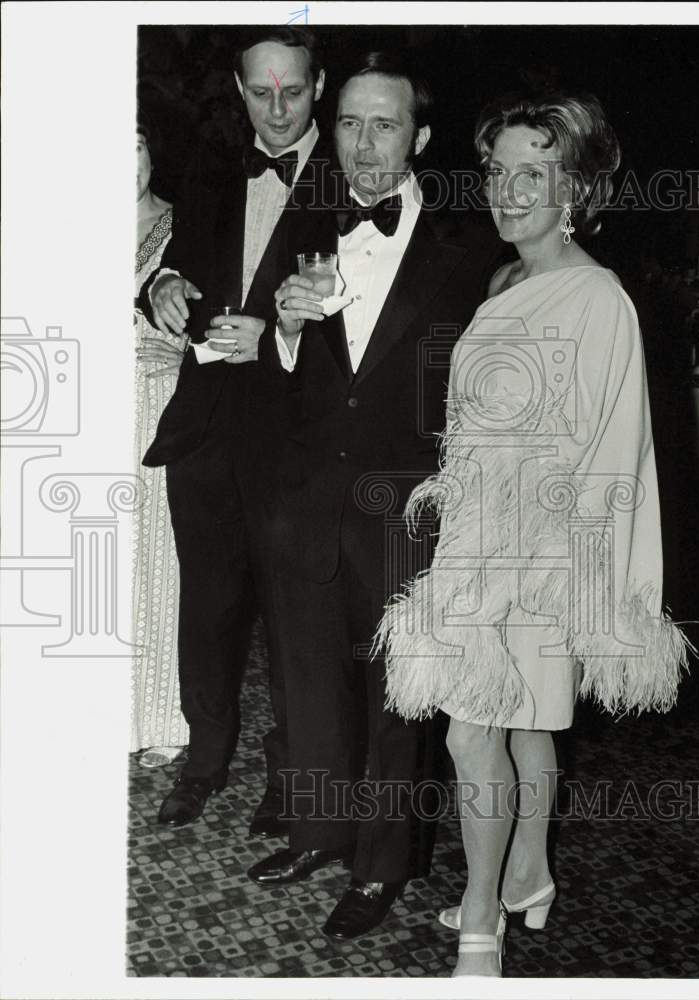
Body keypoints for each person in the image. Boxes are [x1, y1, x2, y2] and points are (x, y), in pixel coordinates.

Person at [376, 92, 692, 976]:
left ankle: (483, 919)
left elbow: (610, 452)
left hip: (541, 552)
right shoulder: (504, 282)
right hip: (478, 532)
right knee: (524, 729)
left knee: (472, 730)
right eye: (497, 173)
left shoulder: (601, 299)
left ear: (577, 187)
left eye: (533, 175)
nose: (508, 193)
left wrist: (560, 578)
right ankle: (528, 874)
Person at [234, 51, 500, 940]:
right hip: (307, 497)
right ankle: (319, 830)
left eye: (383, 124)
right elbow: (275, 368)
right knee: (307, 678)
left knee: (397, 700)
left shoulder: (470, 254)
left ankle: (382, 869)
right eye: (348, 122)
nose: (361, 143)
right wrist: (285, 327)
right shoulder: (308, 217)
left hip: (408, 508)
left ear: (420, 136)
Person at [137, 26, 328, 834]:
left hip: (296, 442)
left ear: (320, 86)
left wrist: (288, 338)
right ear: (239, 89)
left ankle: (290, 784)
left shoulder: (353, 179)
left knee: (291, 623)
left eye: (293, 90)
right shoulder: (212, 170)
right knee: (206, 611)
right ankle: (203, 764)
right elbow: (177, 269)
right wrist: (168, 286)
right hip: (207, 432)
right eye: (260, 91)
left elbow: (379, 330)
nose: (277, 109)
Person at [131, 120, 188, 767]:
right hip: (93, 406)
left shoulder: (184, 225)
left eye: (137, 144)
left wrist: (179, 354)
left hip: (157, 407)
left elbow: (213, 316)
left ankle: (162, 717)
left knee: (158, 559)